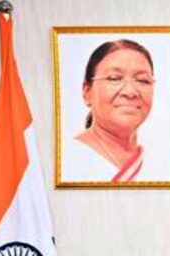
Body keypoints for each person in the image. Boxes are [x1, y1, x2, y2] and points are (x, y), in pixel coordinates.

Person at [63, 39, 155, 182]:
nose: (130, 92)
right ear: (87, 92)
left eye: (142, 80)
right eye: (114, 78)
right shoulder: (67, 159)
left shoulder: (162, 163)